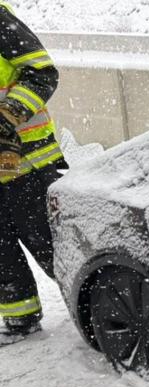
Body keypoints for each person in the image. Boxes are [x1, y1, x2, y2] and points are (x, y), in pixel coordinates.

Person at [0, 1, 65, 346]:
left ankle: (103, 307)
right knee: (2, 253)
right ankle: (20, 319)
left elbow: (42, 72)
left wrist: (9, 113)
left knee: (50, 243)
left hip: (27, 161)